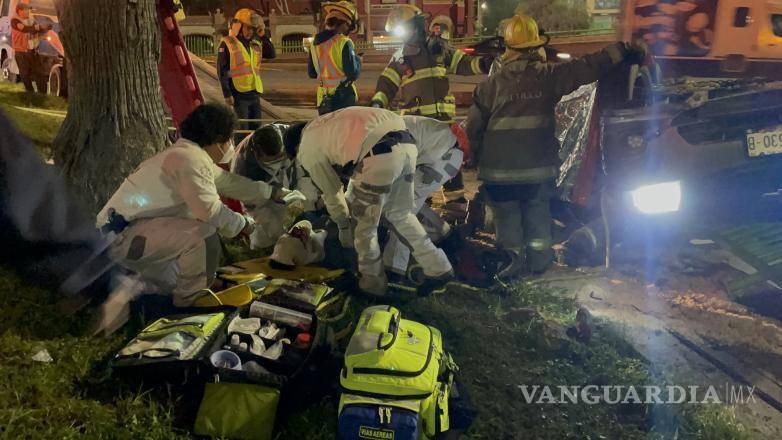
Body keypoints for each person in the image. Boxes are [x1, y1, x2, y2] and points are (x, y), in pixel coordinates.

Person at [465, 14, 647, 280]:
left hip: (498, 175)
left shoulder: (488, 87)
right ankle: (539, 266)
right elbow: (587, 67)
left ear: (508, 49)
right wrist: (621, 50)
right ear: (535, 48)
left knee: (507, 222)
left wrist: (482, 160)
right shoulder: (549, 78)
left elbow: (473, 130)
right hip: (537, 173)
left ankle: (511, 266)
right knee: (537, 220)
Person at [96, 104, 299, 307]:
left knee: (172, 283)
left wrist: (271, 192)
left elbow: (229, 183)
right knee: (203, 235)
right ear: (215, 138)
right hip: (123, 238)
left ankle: (132, 287)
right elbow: (211, 211)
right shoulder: (188, 160)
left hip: (130, 235)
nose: (230, 144)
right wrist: (246, 225)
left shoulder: (187, 155)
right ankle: (190, 303)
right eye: (228, 139)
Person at [283, 107, 454, 296]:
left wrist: (344, 229)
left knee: (364, 228)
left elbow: (333, 194)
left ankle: (373, 285)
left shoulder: (306, 148)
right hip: (407, 146)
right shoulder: (325, 123)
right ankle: (438, 267)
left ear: (295, 148)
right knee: (401, 215)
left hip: (378, 154)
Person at [371, 4, 486, 215]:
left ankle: (457, 211)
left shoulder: (440, 50)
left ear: (417, 26)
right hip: (418, 129)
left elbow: (466, 65)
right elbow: (386, 85)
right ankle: (420, 213)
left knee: (451, 170)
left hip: (442, 125)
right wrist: (377, 104)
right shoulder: (400, 58)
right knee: (418, 171)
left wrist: (485, 64)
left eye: (406, 29)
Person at [382, 115, 463, 278]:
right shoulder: (378, 127)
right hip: (441, 155)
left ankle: (395, 270)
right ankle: (445, 235)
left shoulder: (378, 138)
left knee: (401, 212)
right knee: (404, 203)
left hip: (442, 158)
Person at [231, 124, 320, 249]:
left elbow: (305, 174)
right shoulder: (243, 168)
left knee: (306, 214)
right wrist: (280, 234)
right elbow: (256, 208)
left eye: (279, 159)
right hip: (260, 197)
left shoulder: (291, 138)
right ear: (257, 154)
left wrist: (307, 205)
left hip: (290, 184)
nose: (276, 165)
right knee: (265, 236)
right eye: (271, 162)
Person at [217, 8, 276, 140]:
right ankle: (240, 157)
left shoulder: (255, 43)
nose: (250, 31)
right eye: (248, 28)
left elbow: (272, 54)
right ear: (239, 26)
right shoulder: (227, 43)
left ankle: (255, 157)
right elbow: (222, 71)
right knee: (242, 132)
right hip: (239, 95)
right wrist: (227, 94)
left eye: (252, 29)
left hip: (254, 93)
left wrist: (262, 35)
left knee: (256, 131)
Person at [307, 1, 361, 115]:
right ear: (343, 24)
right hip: (343, 97)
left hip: (323, 99)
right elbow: (352, 73)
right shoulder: (343, 42)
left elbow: (312, 73)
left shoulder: (314, 45)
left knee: (328, 131)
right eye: (348, 26)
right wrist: (358, 61)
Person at [10, 2, 51, 93]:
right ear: (20, 11)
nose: (28, 11)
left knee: (39, 74)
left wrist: (45, 28)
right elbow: (24, 29)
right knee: (25, 75)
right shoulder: (15, 21)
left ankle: (42, 94)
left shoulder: (31, 20)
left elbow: (37, 30)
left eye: (28, 9)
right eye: (26, 10)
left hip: (33, 51)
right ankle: (30, 93)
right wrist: (38, 27)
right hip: (21, 52)